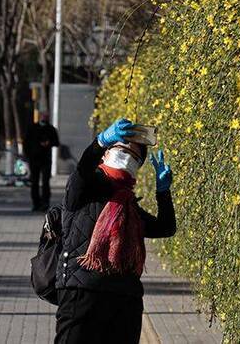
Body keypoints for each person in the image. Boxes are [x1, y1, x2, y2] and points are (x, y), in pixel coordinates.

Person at [55, 118, 176, 344]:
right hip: (82, 292)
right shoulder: (84, 189)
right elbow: (82, 168)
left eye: (135, 157)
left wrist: (163, 192)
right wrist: (99, 141)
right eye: (122, 149)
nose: (128, 158)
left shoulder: (129, 206)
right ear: (105, 154)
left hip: (125, 297)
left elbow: (165, 228)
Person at [25, 112, 60, 211]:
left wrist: (48, 143)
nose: (44, 118)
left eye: (46, 116)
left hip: (46, 160)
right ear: (39, 117)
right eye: (43, 116)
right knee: (34, 182)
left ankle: (45, 203)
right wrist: (28, 155)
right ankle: (36, 204)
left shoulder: (51, 129)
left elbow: (56, 142)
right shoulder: (32, 128)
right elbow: (26, 142)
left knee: (45, 182)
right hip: (34, 159)